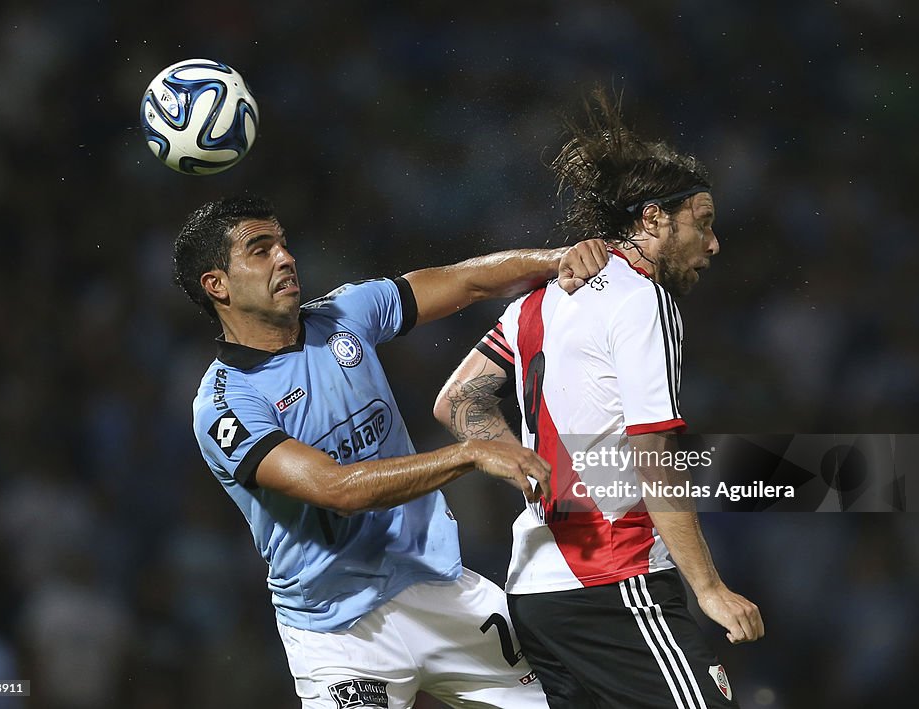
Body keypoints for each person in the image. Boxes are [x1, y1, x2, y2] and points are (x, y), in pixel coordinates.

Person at [172, 194, 608, 709]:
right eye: (260, 250)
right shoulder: (226, 405)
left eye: (283, 245)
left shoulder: (345, 314)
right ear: (216, 285)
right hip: (339, 634)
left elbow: (465, 280)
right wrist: (467, 454)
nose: (285, 258)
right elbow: (335, 490)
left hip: (439, 587)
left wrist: (558, 258)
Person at [434, 90, 764, 709]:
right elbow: (652, 455)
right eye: (704, 221)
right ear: (654, 219)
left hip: (535, 593)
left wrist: (537, 477)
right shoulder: (642, 299)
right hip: (617, 581)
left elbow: (457, 401)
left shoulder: (539, 299)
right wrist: (710, 588)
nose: (713, 244)